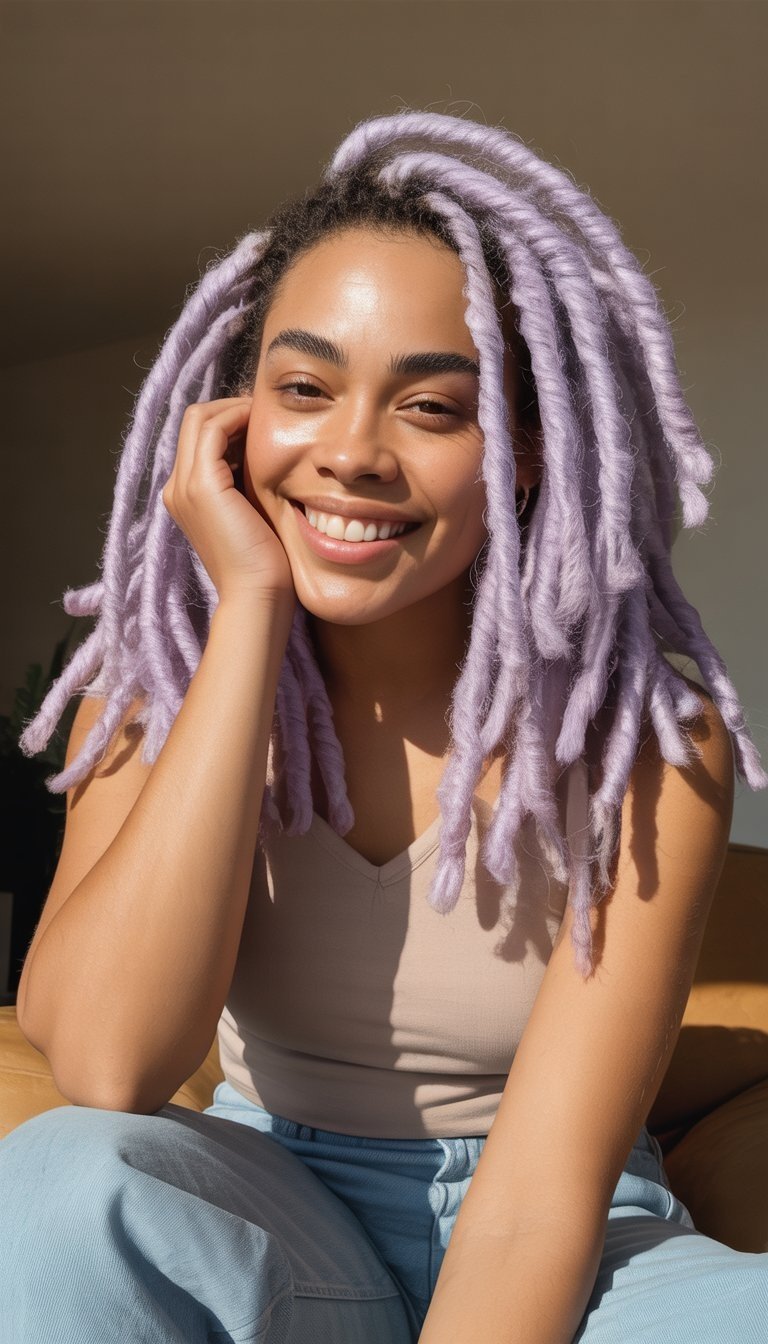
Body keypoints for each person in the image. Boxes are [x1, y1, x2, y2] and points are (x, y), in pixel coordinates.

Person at [2, 109, 766, 1343]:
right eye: (305, 389)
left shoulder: (643, 741)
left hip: (567, 1234)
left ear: (521, 449)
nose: (352, 452)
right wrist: (246, 617)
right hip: (272, 1212)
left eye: (432, 408)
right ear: (235, 420)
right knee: (55, 1182)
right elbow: (107, 1069)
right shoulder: (153, 695)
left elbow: (537, 1201)